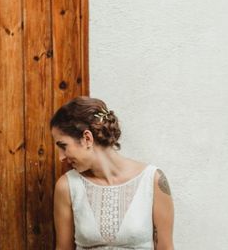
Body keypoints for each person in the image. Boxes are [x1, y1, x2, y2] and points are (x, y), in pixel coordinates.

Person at [51, 96, 174, 250]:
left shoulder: (153, 180)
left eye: (63, 146)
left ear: (87, 138)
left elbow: (165, 247)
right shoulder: (67, 186)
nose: (61, 157)